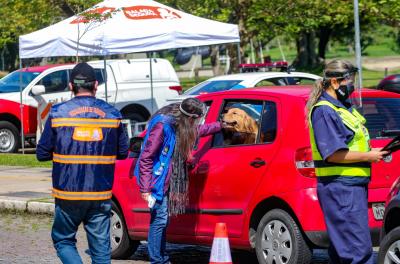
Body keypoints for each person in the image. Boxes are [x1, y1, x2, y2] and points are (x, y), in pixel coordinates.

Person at [36, 62, 128, 264]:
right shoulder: (113, 115)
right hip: (100, 193)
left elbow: (41, 153)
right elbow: (123, 153)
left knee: (63, 240)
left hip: (67, 192)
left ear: (70, 86)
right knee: (101, 250)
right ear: (96, 85)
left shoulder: (58, 114)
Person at [306, 59, 388, 264]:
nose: (352, 85)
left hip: (351, 187)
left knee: (345, 249)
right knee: (357, 251)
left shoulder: (342, 107)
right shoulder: (325, 110)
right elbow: (332, 154)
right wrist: (370, 156)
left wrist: (374, 151)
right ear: (334, 82)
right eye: (348, 80)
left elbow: (353, 144)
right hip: (340, 187)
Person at [134, 98, 223, 264]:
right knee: (159, 219)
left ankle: (160, 257)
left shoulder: (180, 124)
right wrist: (145, 188)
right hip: (155, 179)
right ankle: (158, 260)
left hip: (163, 178)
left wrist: (220, 126)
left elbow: (199, 130)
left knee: (161, 219)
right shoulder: (163, 125)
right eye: (198, 119)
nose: (198, 122)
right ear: (191, 117)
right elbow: (146, 157)